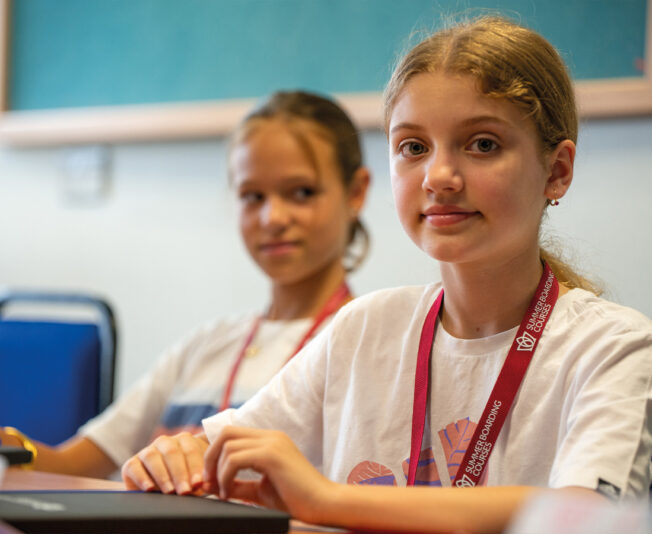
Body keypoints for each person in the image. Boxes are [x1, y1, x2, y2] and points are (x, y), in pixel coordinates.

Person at [121, 17, 652, 533]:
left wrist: (327, 500)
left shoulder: (614, 347)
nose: (439, 177)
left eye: (482, 144)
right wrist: (180, 456)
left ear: (556, 171)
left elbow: (586, 514)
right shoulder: (367, 327)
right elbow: (223, 449)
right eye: (413, 148)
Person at [0, 90, 371, 479]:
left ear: (356, 192)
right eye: (252, 196)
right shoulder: (203, 348)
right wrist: (11, 445)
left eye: (301, 193)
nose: (273, 217)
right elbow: (71, 466)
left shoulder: (363, 345)